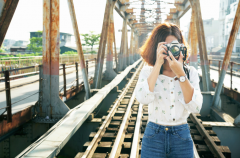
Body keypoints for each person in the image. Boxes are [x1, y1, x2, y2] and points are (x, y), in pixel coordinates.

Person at [134, 22, 203, 158]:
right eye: (166, 47)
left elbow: (196, 107)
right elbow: (142, 98)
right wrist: (158, 64)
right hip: (153, 134)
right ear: (156, 47)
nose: (171, 50)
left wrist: (181, 74)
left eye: (175, 46)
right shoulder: (148, 72)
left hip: (181, 135)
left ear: (181, 47)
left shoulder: (190, 73)